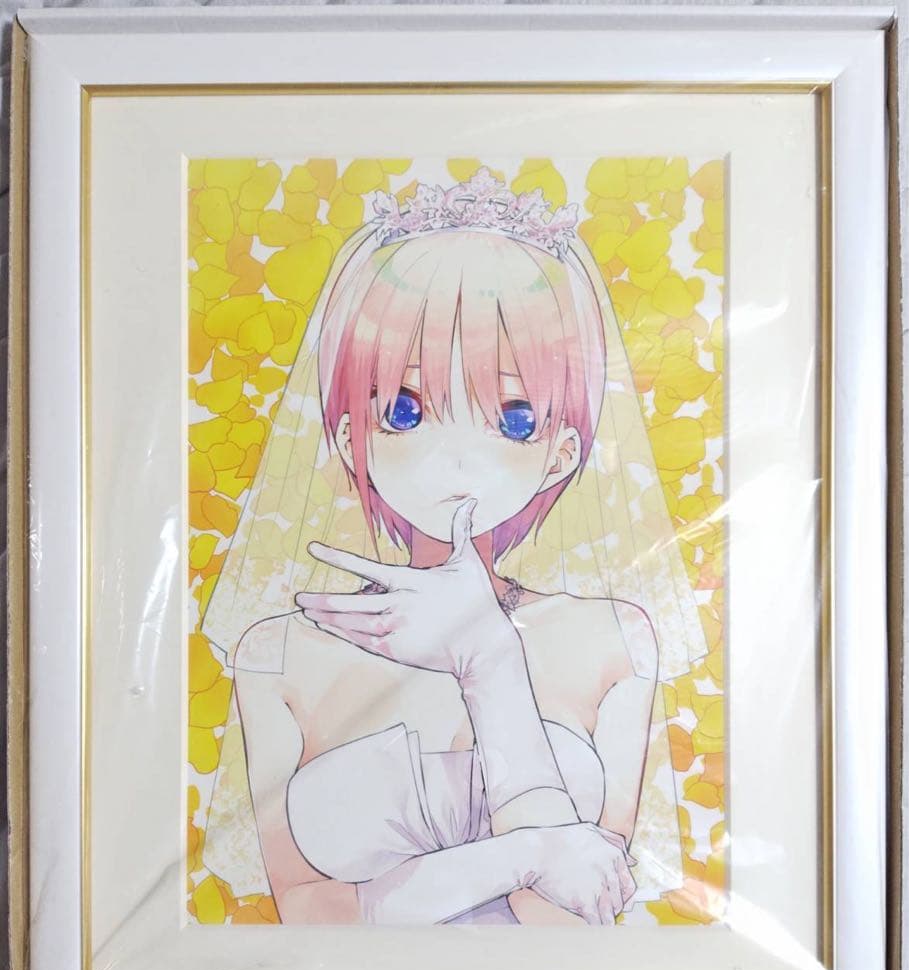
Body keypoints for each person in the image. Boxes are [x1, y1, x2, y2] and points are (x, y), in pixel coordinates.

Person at [199, 166, 707, 926]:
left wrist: (490, 658)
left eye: (512, 418)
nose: (457, 458)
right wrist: (522, 855)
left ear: (562, 453)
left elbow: (572, 917)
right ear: (351, 437)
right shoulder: (277, 654)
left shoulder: (614, 640)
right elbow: (306, 915)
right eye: (405, 411)